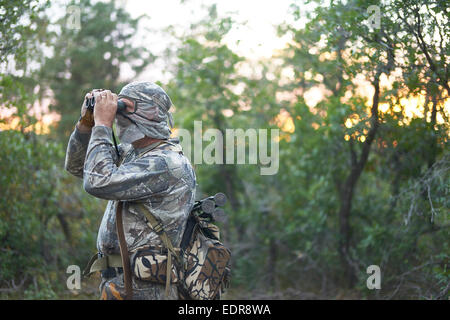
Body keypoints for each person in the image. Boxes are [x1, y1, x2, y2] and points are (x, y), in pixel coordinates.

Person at [64, 81, 196, 300]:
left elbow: (97, 182)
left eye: (124, 108)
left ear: (152, 113)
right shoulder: (133, 154)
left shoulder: (167, 163)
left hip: (148, 288)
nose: (119, 116)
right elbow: (79, 166)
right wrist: (87, 123)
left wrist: (103, 125)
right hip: (119, 282)